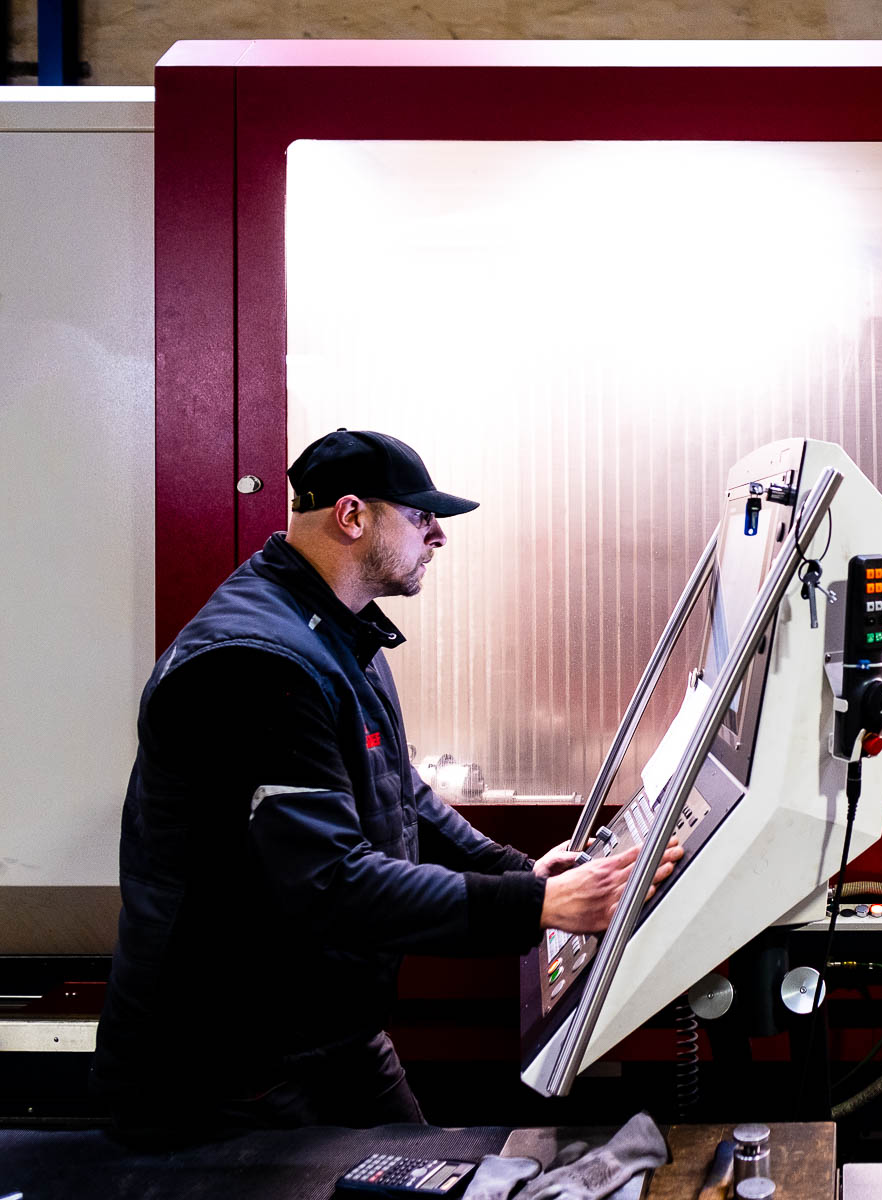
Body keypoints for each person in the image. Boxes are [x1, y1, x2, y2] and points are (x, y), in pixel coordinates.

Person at [93, 428, 680, 1139]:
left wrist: (519, 869)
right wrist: (534, 904)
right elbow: (328, 881)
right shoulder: (254, 666)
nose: (438, 537)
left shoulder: (339, 634)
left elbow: (399, 792)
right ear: (352, 516)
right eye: (420, 517)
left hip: (330, 1033)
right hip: (228, 1065)